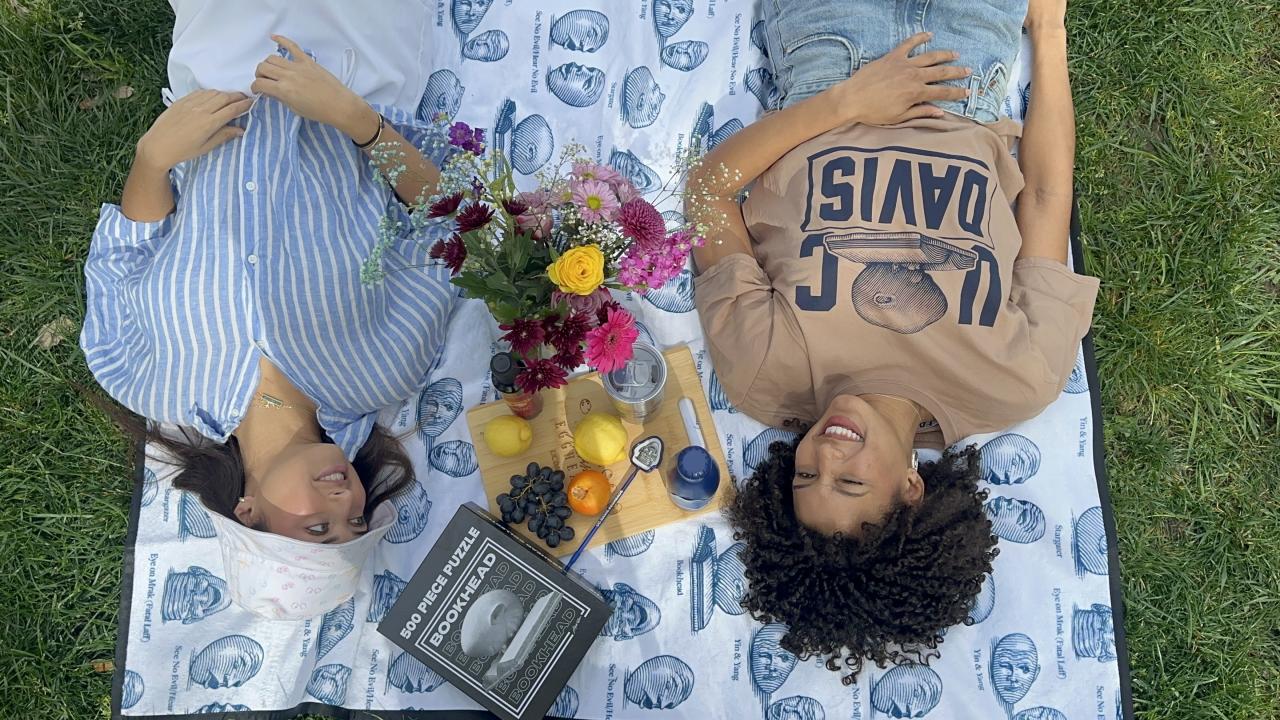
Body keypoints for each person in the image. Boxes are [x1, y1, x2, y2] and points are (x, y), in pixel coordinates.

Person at [689, 0, 1097, 681]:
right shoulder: (1016, 381)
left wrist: (846, 102)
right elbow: (1048, 197)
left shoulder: (764, 374)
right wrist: (1049, 34)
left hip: (828, 56)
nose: (823, 451)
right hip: (968, 69)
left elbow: (706, 193)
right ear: (912, 489)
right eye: (849, 481)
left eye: (804, 474)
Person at [82, 0, 453, 612]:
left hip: (221, 68)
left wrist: (153, 160)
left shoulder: (143, 379)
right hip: (357, 65)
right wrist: (359, 121)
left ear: (246, 510)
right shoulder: (385, 369)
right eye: (358, 523)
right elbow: (445, 226)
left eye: (317, 528)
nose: (347, 506)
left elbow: (125, 257)